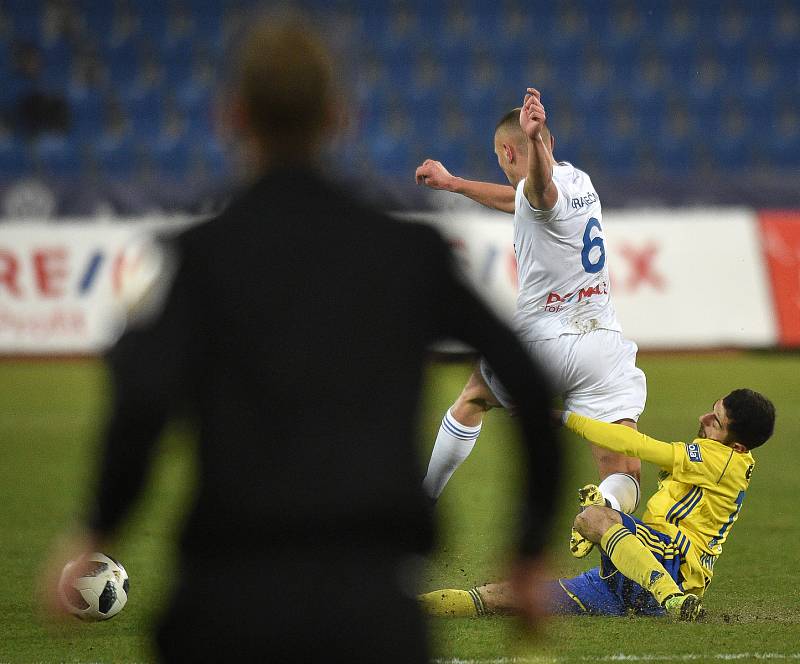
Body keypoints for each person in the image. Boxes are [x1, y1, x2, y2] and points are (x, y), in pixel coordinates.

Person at [47, 15, 562, 663]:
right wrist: (528, 547)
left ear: (231, 117)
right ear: (340, 117)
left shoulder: (193, 260)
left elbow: (141, 406)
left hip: (227, 605)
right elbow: (523, 370)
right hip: (372, 610)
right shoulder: (409, 253)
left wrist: (95, 526)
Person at [415, 89, 645, 556]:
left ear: (507, 151)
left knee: (472, 398)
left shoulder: (542, 185)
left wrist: (532, 141)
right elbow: (523, 196)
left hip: (544, 342)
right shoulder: (581, 181)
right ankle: (602, 516)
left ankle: (423, 501)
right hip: (601, 346)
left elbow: (538, 192)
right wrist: (455, 184)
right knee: (625, 465)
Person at [419, 388, 776, 621]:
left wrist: (564, 418)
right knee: (504, 597)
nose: (703, 419)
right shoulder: (722, 461)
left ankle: (672, 600)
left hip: (675, 563)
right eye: (710, 409)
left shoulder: (722, 459)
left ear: (739, 445)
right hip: (631, 579)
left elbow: (635, 445)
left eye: (716, 421)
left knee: (596, 517)